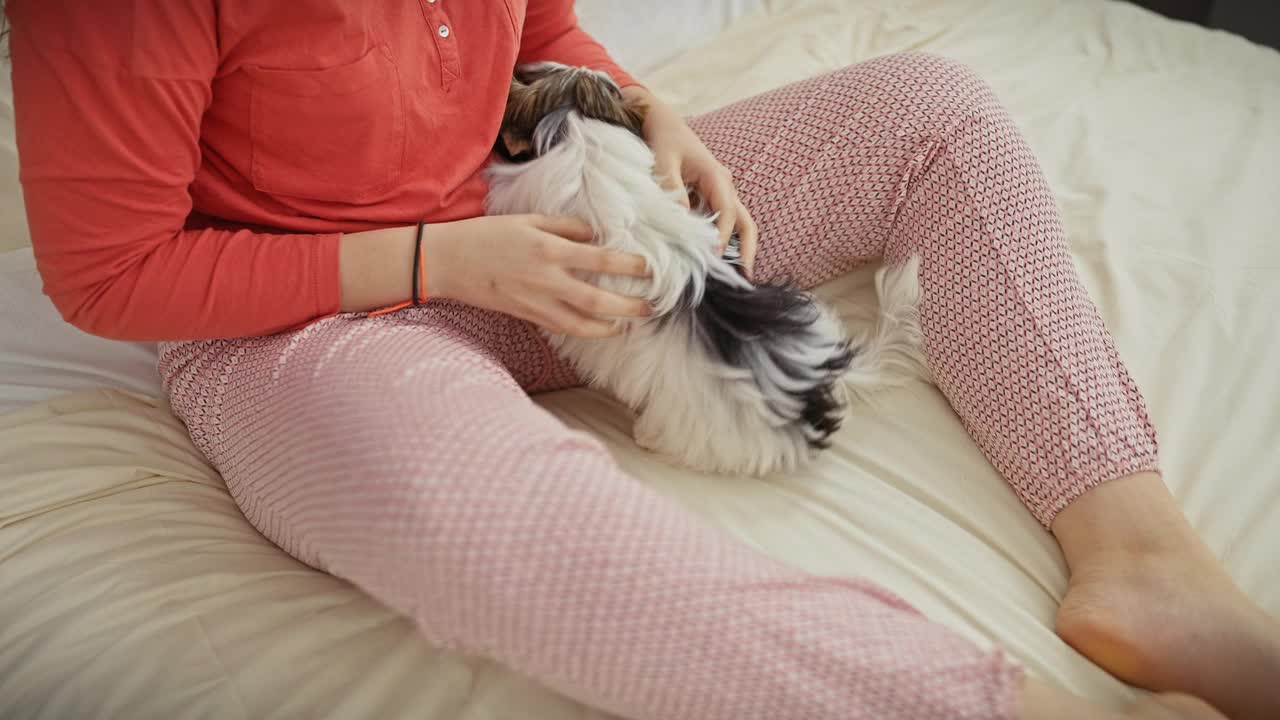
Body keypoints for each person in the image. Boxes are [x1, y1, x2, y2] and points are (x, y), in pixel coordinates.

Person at [5, 2, 1276, 719]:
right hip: (306, 324)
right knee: (483, 518)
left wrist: (641, 112)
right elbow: (110, 275)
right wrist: (437, 267)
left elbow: (538, 29)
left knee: (929, 117)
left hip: (536, 204)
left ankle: (1141, 560)